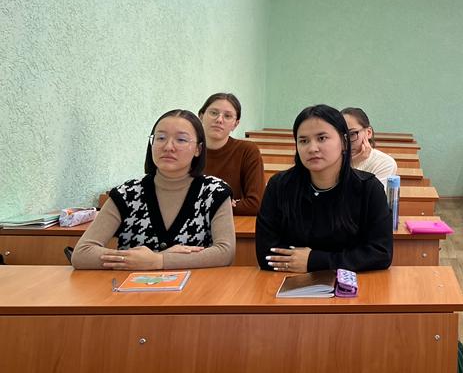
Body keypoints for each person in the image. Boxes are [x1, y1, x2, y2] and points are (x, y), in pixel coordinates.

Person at [72, 109, 235, 269]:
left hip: (195, 285)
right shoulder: (127, 193)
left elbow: (225, 252)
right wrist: (136, 260)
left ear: (198, 149)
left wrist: (159, 260)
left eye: (181, 140)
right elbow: (82, 253)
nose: (168, 147)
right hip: (132, 286)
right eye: (161, 138)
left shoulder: (214, 192)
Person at [256, 104, 393, 272]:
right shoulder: (279, 186)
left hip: (353, 283)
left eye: (322, 138)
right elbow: (267, 254)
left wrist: (314, 261)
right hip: (288, 281)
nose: (312, 148)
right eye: (303, 141)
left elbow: (381, 253)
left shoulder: (368, 188)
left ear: (344, 142)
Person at [199, 92, 265, 217]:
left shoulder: (247, 151)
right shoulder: (187, 150)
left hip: (233, 224)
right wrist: (225, 205)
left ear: (235, 124)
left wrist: (201, 206)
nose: (219, 120)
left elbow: (256, 204)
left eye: (227, 116)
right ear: (201, 116)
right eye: (213, 113)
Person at [342, 106, 397, 189]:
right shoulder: (332, 159)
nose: (347, 143)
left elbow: (370, 196)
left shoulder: (385, 163)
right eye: (341, 136)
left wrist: (354, 165)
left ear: (368, 132)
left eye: (352, 134)